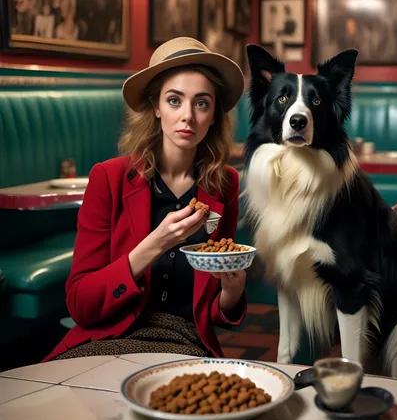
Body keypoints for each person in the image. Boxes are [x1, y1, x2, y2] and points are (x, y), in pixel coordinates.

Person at [44, 37, 247, 361]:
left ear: (213, 116)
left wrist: (232, 293)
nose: (188, 117)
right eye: (174, 100)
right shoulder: (108, 178)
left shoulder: (225, 185)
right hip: (108, 336)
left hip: (183, 340)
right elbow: (80, 304)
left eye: (202, 103)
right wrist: (155, 244)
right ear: (155, 106)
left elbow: (211, 310)